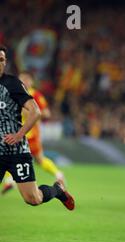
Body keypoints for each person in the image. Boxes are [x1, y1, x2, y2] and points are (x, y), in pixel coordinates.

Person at [0, 45, 75, 210]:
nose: (0, 63)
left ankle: (58, 189)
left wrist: (20, 134)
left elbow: (36, 111)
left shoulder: (12, 84)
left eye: (2, 60)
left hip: (16, 150)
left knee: (33, 198)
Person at [1, 72, 65, 194]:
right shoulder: (11, 92)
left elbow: (46, 113)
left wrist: (31, 113)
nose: (24, 81)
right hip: (15, 133)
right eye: (21, 79)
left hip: (31, 134)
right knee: (8, 154)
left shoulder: (36, 95)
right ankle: (9, 181)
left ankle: (58, 174)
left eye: (26, 79)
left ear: (31, 82)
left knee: (39, 159)